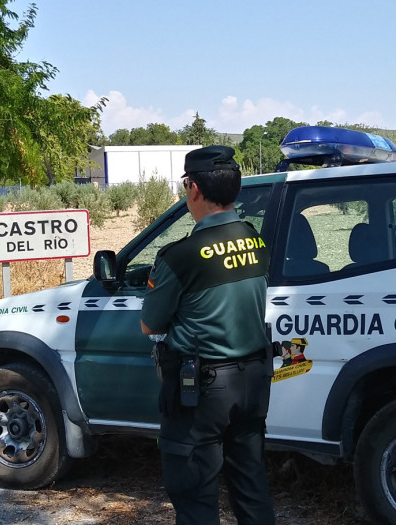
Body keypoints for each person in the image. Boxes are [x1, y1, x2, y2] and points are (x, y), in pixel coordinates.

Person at [140, 145, 275, 525]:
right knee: (251, 486)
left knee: (195, 493)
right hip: (253, 380)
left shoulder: (179, 256)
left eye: (185, 186)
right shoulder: (255, 240)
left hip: (203, 390)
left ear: (194, 189)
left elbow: (150, 325)